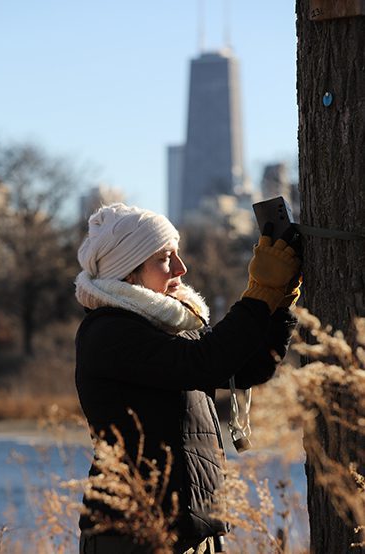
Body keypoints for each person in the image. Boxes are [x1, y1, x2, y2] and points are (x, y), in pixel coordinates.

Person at [74, 203, 301, 554]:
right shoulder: (108, 332)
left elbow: (247, 369)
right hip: (133, 536)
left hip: (192, 529)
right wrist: (259, 294)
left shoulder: (171, 325)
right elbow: (204, 363)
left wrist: (278, 302)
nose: (181, 268)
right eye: (165, 259)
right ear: (129, 272)